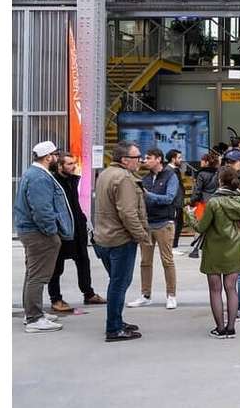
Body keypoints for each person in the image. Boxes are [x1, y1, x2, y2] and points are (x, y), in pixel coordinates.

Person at [93, 141, 152, 342]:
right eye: (137, 157)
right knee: (119, 284)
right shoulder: (124, 178)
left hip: (104, 237)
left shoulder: (106, 173)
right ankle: (114, 328)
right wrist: (142, 236)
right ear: (125, 160)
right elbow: (128, 213)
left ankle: (116, 321)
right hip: (120, 240)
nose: (140, 160)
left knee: (116, 283)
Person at [14, 141, 74, 333]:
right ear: (48, 157)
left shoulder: (33, 174)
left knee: (32, 274)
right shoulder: (39, 177)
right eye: (55, 155)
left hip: (32, 232)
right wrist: (51, 232)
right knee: (38, 276)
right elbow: (42, 210)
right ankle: (34, 319)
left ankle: (32, 312)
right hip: (39, 234)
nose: (58, 158)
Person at [197, 167, 240, 338]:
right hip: (235, 245)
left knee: (215, 290)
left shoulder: (213, 203)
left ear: (220, 181)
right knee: (231, 288)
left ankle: (220, 328)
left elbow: (201, 227)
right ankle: (231, 328)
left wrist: (191, 216)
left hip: (214, 248)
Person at [47, 151, 106, 313]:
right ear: (60, 166)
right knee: (56, 267)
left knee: (83, 261)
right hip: (62, 229)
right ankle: (56, 298)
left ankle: (88, 293)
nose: (73, 167)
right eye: (69, 164)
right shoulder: (52, 182)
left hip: (77, 228)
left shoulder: (72, 180)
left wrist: (83, 221)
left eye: (74, 163)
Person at [127, 148, 179, 310]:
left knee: (167, 260)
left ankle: (171, 295)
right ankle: (145, 295)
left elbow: (170, 198)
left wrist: (149, 195)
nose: (144, 160)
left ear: (158, 159)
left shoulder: (171, 176)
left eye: (148, 158)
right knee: (145, 261)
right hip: (148, 224)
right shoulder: (146, 178)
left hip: (164, 223)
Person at [166, 149, 186, 248]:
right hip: (174, 202)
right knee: (175, 223)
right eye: (179, 158)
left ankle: (174, 244)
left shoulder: (176, 170)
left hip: (178, 201)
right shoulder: (168, 171)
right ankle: (172, 244)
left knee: (179, 223)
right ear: (173, 159)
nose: (181, 160)